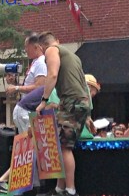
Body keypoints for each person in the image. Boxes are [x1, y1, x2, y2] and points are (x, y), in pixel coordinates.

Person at [36, 31, 92, 196]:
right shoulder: (74, 56)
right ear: (58, 40)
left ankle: (70, 190)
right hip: (81, 103)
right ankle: (59, 189)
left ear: (41, 47)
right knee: (63, 145)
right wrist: (87, 115)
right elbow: (83, 84)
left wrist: (44, 100)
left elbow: (52, 74)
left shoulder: (51, 50)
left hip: (71, 102)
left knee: (64, 147)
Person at [0, 33, 47, 193]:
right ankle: (27, 184)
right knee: (30, 148)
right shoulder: (37, 63)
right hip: (26, 110)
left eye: (26, 47)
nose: (25, 51)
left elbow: (40, 86)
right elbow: (35, 89)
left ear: (36, 46)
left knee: (29, 149)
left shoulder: (41, 63)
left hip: (26, 110)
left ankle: (23, 183)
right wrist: (17, 85)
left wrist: (17, 87)